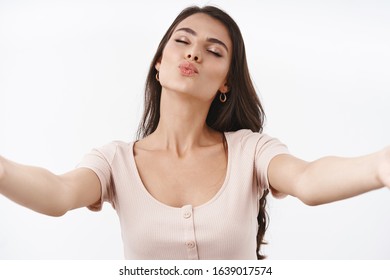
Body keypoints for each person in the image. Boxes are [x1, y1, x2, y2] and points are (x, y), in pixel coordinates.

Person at [0, 5, 389, 260]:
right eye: (182, 41)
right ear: (159, 63)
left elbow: (308, 180)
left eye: (214, 51)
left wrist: (379, 167)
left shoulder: (250, 152)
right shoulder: (114, 161)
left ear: (225, 83)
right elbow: (57, 193)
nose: (193, 53)